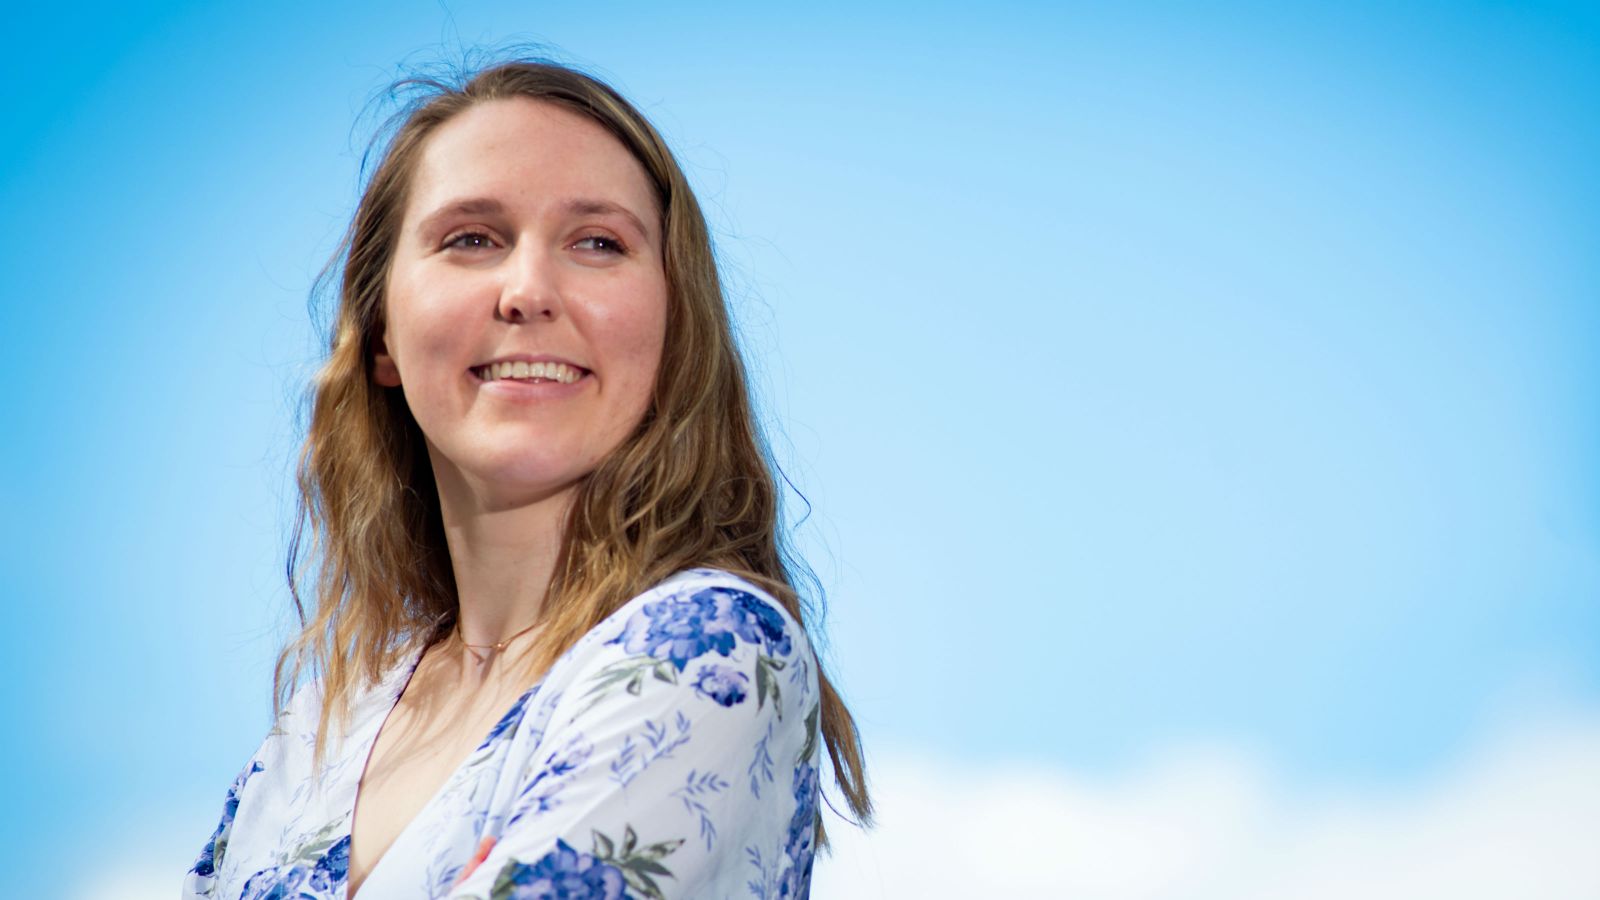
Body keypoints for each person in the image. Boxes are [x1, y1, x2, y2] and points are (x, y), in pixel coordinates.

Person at [182, 55, 871, 900]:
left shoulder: (708, 648)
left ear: (673, 327)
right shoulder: (320, 728)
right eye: (472, 237)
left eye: (598, 243)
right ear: (381, 334)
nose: (529, 291)